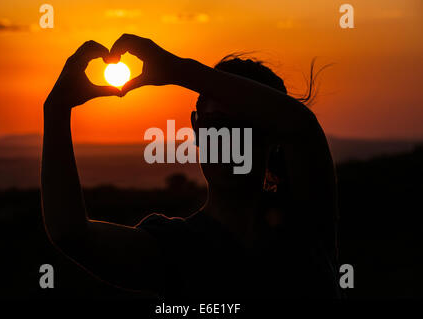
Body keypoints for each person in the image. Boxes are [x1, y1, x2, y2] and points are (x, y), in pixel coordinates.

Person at [42, 34, 341, 299]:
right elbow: (71, 234)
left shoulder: (304, 219)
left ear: (273, 134)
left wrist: (178, 69)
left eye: (243, 126)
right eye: (215, 125)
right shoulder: (176, 247)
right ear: (196, 128)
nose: (227, 140)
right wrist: (56, 111)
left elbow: (300, 124)